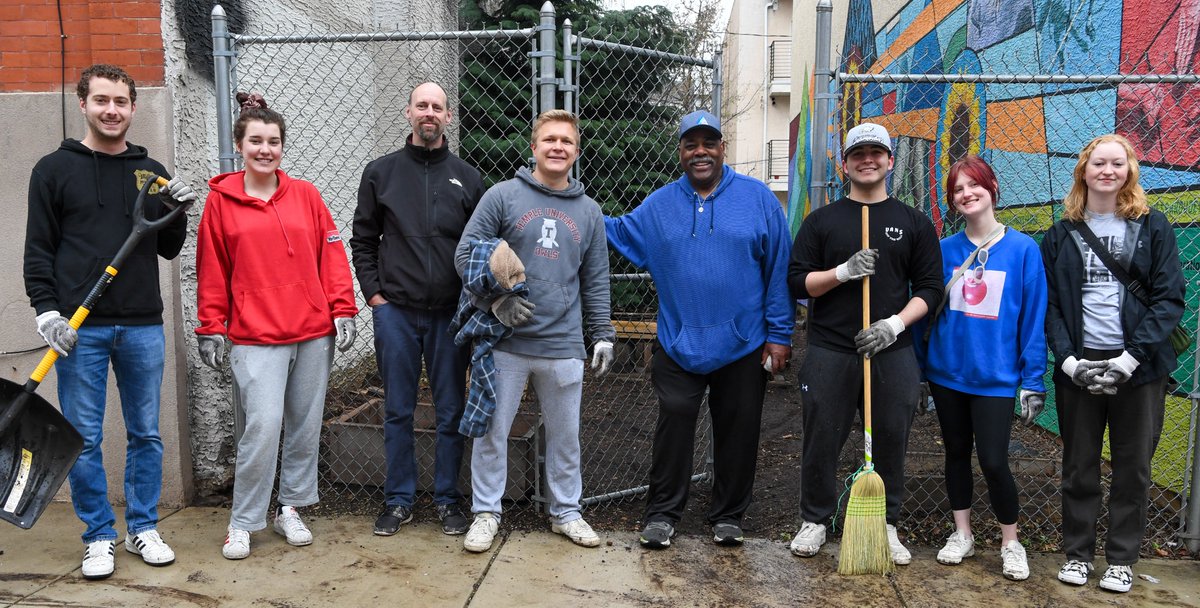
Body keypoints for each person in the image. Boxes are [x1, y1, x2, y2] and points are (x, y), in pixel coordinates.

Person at [23, 64, 196, 580]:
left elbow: (166, 247)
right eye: (102, 100)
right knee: (86, 436)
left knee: (146, 433)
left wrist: (179, 210)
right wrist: (47, 312)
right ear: (83, 103)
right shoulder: (53, 170)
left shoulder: (151, 171)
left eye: (121, 101)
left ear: (133, 107)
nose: (112, 110)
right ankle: (98, 535)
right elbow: (38, 250)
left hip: (142, 323)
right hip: (82, 328)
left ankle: (143, 526)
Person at [604, 110, 793, 549]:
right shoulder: (657, 207)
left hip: (744, 341)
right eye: (692, 144)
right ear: (681, 152)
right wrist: (563, 203)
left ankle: (728, 516)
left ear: (723, 148)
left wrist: (780, 334)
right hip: (679, 340)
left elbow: (778, 269)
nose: (701, 151)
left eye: (709, 143)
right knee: (674, 425)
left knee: (739, 429)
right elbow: (612, 231)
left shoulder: (758, 199)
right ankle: (662, 515)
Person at [196, 92, 359, 560]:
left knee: (304, 426)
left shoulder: (306, 195)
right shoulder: (221, 202)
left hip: (312, 331)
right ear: (239, 145)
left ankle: (291, 506)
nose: (264, 149)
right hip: (255, 335)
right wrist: (211, 323)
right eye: (255, 141)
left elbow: (331, 252)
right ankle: (244, 520)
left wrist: (342, 306)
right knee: (263, 426)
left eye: (273, 141)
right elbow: (212, 269)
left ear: (282, 147)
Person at [453, 109, 615, 553]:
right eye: (549, 139)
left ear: (576, 151)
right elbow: (466, 254)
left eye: (566, 140)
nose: (557, 147)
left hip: (563, 344)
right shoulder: (504, 197)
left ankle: (566, 512)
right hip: (505, 343)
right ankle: (486, 511)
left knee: (566, 435)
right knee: (492, 432)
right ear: (534, 147)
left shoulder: (589, 212)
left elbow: (596, 277)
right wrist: (495, 301)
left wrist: (601, 332)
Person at [786, 123, 943, 565]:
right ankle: (815, 519)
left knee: (892, 437)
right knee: (822, 437)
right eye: (858, 153)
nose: (867, 160)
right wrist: (842, 272)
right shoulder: (822, 221)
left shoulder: (913, 222)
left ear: (890, 161)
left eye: (877, 153)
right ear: (845, 163)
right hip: (831, 349)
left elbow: (931, 288)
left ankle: (886, 524)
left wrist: (893, 324)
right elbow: (798, 282)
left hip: (891, 351)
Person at [1041, 134, 1184, 593]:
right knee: (1079, 465)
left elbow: (1169, 299)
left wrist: (1129, 359)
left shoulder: (1152, 226)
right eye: (1098, 163)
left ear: (1129, 171)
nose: (1107, 170)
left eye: (1116, 164)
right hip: (1080, 367)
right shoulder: (1060, 234)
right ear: (1083, 170)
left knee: (1133, 467)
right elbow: (1051, 308)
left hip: (1139, 369)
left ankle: (1121, 559)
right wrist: (1066, 362)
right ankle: (1078, 556)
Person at [350, 82, 484, 537]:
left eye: (438, 107)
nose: (429, 113)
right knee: (398, 409)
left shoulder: (467, 178)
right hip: (397, 313)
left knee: (451, 410)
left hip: (450, 315)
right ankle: (399, 499)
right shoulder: (380, 173)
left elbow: (480, 247)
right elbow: (363, 242)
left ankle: (448, 499)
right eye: (422, 105)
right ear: (408, 112)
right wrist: (375, 297)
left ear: (449, 117)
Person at [915, 155, 1046, 580]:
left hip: (997, 378)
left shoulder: (1024, 249)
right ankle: (963, 534)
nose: (967, 194)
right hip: (948, 374)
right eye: (958, 189)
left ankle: (1011, 542)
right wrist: (919, 372)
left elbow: (1032, 319)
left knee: (993, 460)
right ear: (952, 201)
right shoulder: (944, 250)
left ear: (992, 189)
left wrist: (1033, 379)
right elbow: (926, 311)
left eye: (974, 185)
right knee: (955, 453)